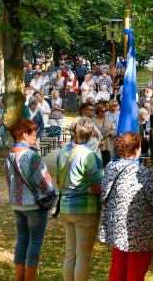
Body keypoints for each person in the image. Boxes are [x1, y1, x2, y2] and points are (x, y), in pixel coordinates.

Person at [99, 132, 153, 281]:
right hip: (139, 232)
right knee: (135, 272)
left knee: (117, 269)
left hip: (116, 228)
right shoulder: (142, 173)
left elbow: (103, 194)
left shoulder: (110, 168)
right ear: (136, 149)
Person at [6, 119, 57, 281]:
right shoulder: (31, 155)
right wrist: (53, 193)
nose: (35, 135)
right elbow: (44, 181)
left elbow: (9, 180)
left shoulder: (9, 155)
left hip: (17, 203)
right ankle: (30, 278)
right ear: (23, 134)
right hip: (34, 205)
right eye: (32, 132)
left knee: (22, 239)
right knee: (35, 242)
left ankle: (18, 277)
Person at [57, 117, 104, 281]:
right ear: (91, 133)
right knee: (83, 256)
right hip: (85, 210)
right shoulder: (90, 156)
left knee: (70, 253)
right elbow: (99, 187)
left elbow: (58, 179)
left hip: (66, 207)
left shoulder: (63, 151)